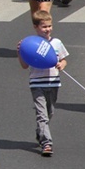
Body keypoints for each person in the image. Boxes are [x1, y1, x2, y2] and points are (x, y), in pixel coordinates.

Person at [17, 10, 69, 156]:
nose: (48, 29)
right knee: (42, 115)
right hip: (37, 84)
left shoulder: (57, 43)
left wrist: (62, 65)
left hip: (53, 83)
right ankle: (47, 143)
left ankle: (40, 132)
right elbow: (24, 66)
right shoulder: (31, 44)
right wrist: (19, 53)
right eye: (44, 27)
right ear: (36, 27)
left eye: (49, 26)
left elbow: (64, 59)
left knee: (50, 112)